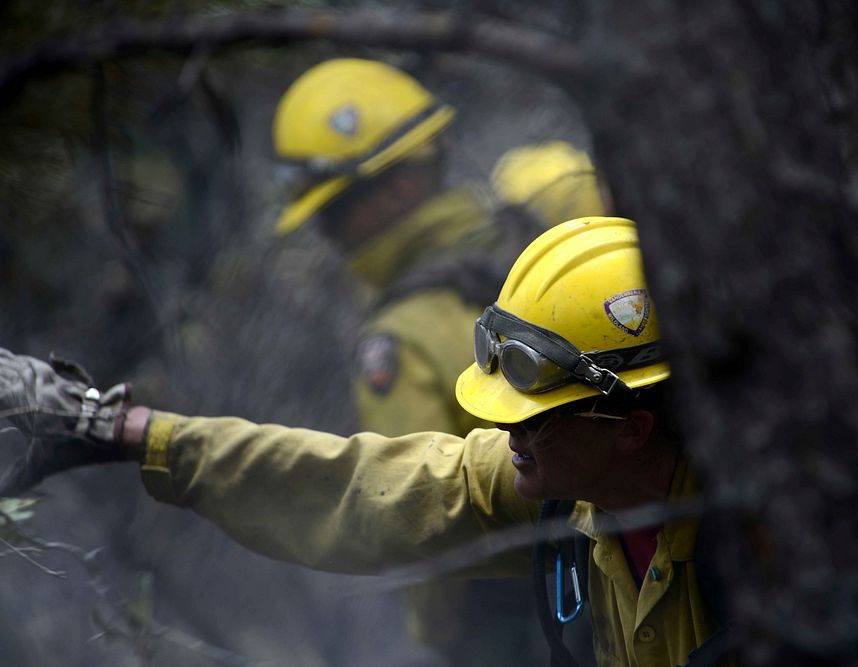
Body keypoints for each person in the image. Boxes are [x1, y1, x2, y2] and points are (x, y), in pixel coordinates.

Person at [0, 217, 725, 667]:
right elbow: (355, 487)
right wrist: (128, 431)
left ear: (630, 428)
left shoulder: (762, 536)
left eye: (534, 416)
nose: (504, 431)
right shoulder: (565, 494)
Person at [271, 59, 607, 664]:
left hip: (512, 621)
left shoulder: (399, 337)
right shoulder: (542, 249)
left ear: (398, 186)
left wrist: (443, 638)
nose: (328, 232)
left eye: (335, 208)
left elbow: (414, 510)